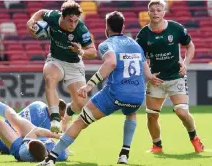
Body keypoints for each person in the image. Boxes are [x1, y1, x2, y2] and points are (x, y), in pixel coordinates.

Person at [37, 11, 163, 166]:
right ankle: (124, 154)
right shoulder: (135, 44)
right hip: (137, 95)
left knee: (80, 121)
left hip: (115, 93)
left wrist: (90, 84)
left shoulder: (107, 44)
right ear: (123, 27)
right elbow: (146, 69)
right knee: (130, 114)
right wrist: (151, 78)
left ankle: (51, 158)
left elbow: (111, 63)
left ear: (106, 28)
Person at [136, 0, 204, 153]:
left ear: (164, 12)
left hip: (175, 77)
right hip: (156, 80)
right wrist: (148, 75)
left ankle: (195, 138)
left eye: (158, 10)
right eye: (152, 10)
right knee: (152, 116)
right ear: (148, 12)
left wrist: (185, 64)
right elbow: (139, 57)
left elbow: (190, 46)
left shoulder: (176, 28)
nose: (155, 13)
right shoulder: (143, 34)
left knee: (182, 112)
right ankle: (157, 146)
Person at [27, 0, 97, 133]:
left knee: (81, 103)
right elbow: (40, 13)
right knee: (49, 78)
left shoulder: (81, 29)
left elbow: (93, 52)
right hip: (55, 60)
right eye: (70, 21)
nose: (73, 24)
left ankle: (68, 114)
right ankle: (55, 119)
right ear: (62, 17)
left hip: (74, 65)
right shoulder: (53, 17)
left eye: (76, 21)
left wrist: (80, 51)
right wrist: (31, 20)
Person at [0, 87, 68, 162]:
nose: (61, 118)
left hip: (18, 145)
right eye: (61, 115)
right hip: (29, 136)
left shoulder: (26, 151)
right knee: (13, 116)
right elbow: (64, 152)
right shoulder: (60, 154)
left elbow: (35, 132)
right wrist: (61, 138)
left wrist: (58, 136)